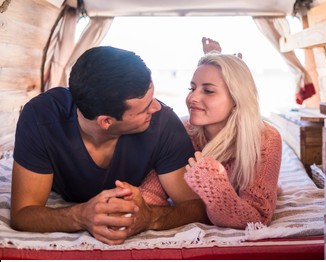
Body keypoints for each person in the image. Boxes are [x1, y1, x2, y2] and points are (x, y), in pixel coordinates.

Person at [10, 46, 209, 245]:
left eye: (153, 98)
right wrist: (80, 216)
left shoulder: (163, 122)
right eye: (145, 108)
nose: (157, 107)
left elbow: (196, 206)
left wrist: (150, 217)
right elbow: (23, 213)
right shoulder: (41, 118)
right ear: (106, 122)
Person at [140, 38, 282, 229]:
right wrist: (131, 204)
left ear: (236, 99)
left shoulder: (265, 139)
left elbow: (257, 218)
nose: (192, 98)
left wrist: (212, 183)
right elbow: (153, 191)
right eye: (192, 88)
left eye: (208, 90)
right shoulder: (181, 130)